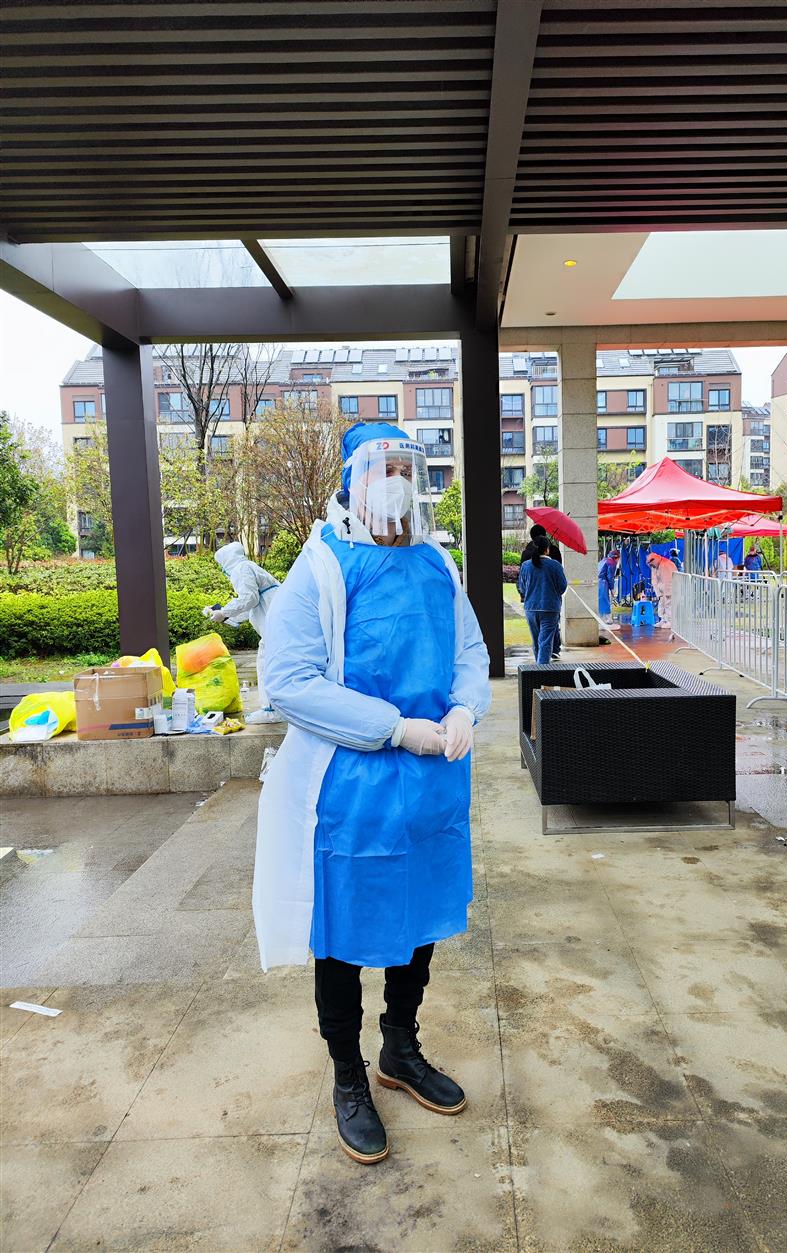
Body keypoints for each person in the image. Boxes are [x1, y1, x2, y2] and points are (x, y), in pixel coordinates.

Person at [254, 421, 491, 1166]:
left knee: (418, 920)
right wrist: (395, 728)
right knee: (345, 936)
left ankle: (399, 1047)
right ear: (352, 476)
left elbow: (472, 652)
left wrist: (463, 708)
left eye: (403, 465)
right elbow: (289, 680)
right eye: (379, 465)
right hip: (351, 792)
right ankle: (348, 1074)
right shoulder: (322, 564)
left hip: (430, 792)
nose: (393, 478)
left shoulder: (436, 562)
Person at [205, 542, 282, 724]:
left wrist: (224, 612)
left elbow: (249, 598)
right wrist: (224, 615)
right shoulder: (248, 567)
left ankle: (271, 710)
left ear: (225, 561)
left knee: (265, 664)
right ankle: (278, 708)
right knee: (275, 664)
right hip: (277, 622)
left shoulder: (241, 569)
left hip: (274, 625)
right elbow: (249, 610)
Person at [518, 536, 568, 663]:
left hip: (531, 608)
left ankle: (537, 671)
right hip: (550, 608)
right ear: (547, 549)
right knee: (545, 642)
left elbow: (522, 588)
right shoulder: (555, 565)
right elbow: (562, 587)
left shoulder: (526, 566)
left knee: (536, 642)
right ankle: (541, 674)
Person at [646, 551, 678, 628]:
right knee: (662, 604)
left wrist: (667, 593)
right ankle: (663, 619)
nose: (651, 567)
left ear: (654, 560)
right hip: (662, 589)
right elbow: (654, 580)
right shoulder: (655, 565)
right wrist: (659, 594)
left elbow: (668, 581)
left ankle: (670, 621)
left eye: (651, 565)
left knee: (668, 604)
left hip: (670, 588)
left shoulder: (665, 565)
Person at [597, 550, 619, 622]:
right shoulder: (611, 563)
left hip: (597, 581)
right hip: (603, 582)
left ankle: (601, 619)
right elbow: (610, 576)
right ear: (616, 557)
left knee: (600, 600)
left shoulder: (603, 560)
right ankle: (608, 619)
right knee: (605, 600)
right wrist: (612, 588)